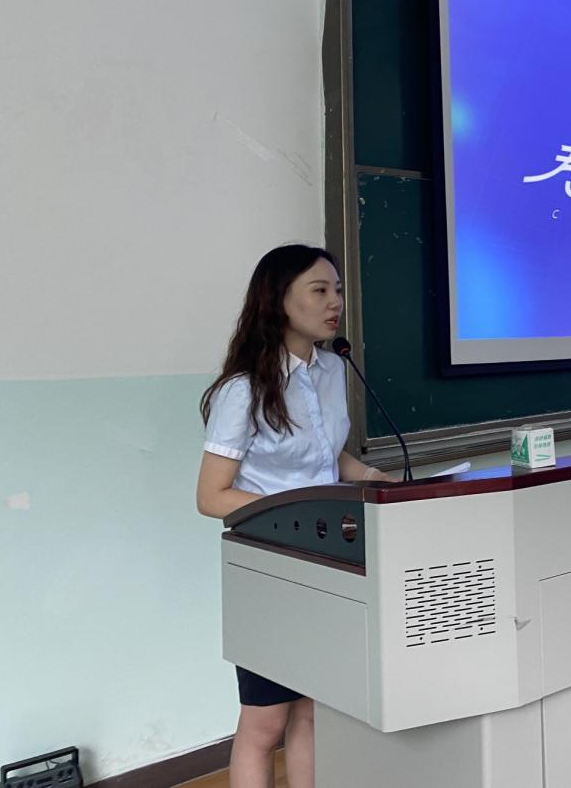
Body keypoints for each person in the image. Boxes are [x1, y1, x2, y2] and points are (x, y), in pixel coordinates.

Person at [196, 244, 386, 788]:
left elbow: (324, 456)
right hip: (271, 566)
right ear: (278, 300)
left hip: (328, 558)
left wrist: (375, 478)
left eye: (338, 290)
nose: (335, 303)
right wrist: (295, 511)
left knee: (313, 710)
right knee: (265, 722)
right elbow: (211, 495)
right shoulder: (243, 388)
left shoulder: (332, 370)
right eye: (319, 290)